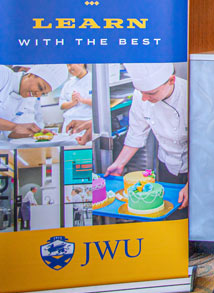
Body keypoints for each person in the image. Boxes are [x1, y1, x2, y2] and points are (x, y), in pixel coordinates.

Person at [103, 63, 188, 209]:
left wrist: (192, 184)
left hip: (196, 168)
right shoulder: (141, 95)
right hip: (167, 164)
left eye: (151, 93)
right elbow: (136, 133)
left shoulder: (190, 94)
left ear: (171, 80)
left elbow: (205, 146)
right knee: (167, 210)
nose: (144, 98)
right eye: (141, 92)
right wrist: (119, 164)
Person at [0, 65, 67, 139]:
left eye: (43, 93)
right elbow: (12, 127)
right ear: (30, 74)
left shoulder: (23, 101)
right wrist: (15, 126)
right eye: (40, 87)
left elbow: (9, 133)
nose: (38, 94)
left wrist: (37, 133)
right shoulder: (3, 74)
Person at [60, 64, 93, 133]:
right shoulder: (68, 84)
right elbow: (62, 105)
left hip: (87, 121)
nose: (69, 68)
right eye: (67, 66)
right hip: (69, 122)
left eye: (70, 65)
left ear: (81, 63)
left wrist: (82, 100)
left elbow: (102, 102)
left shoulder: (94, 80)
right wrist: (72, 103)